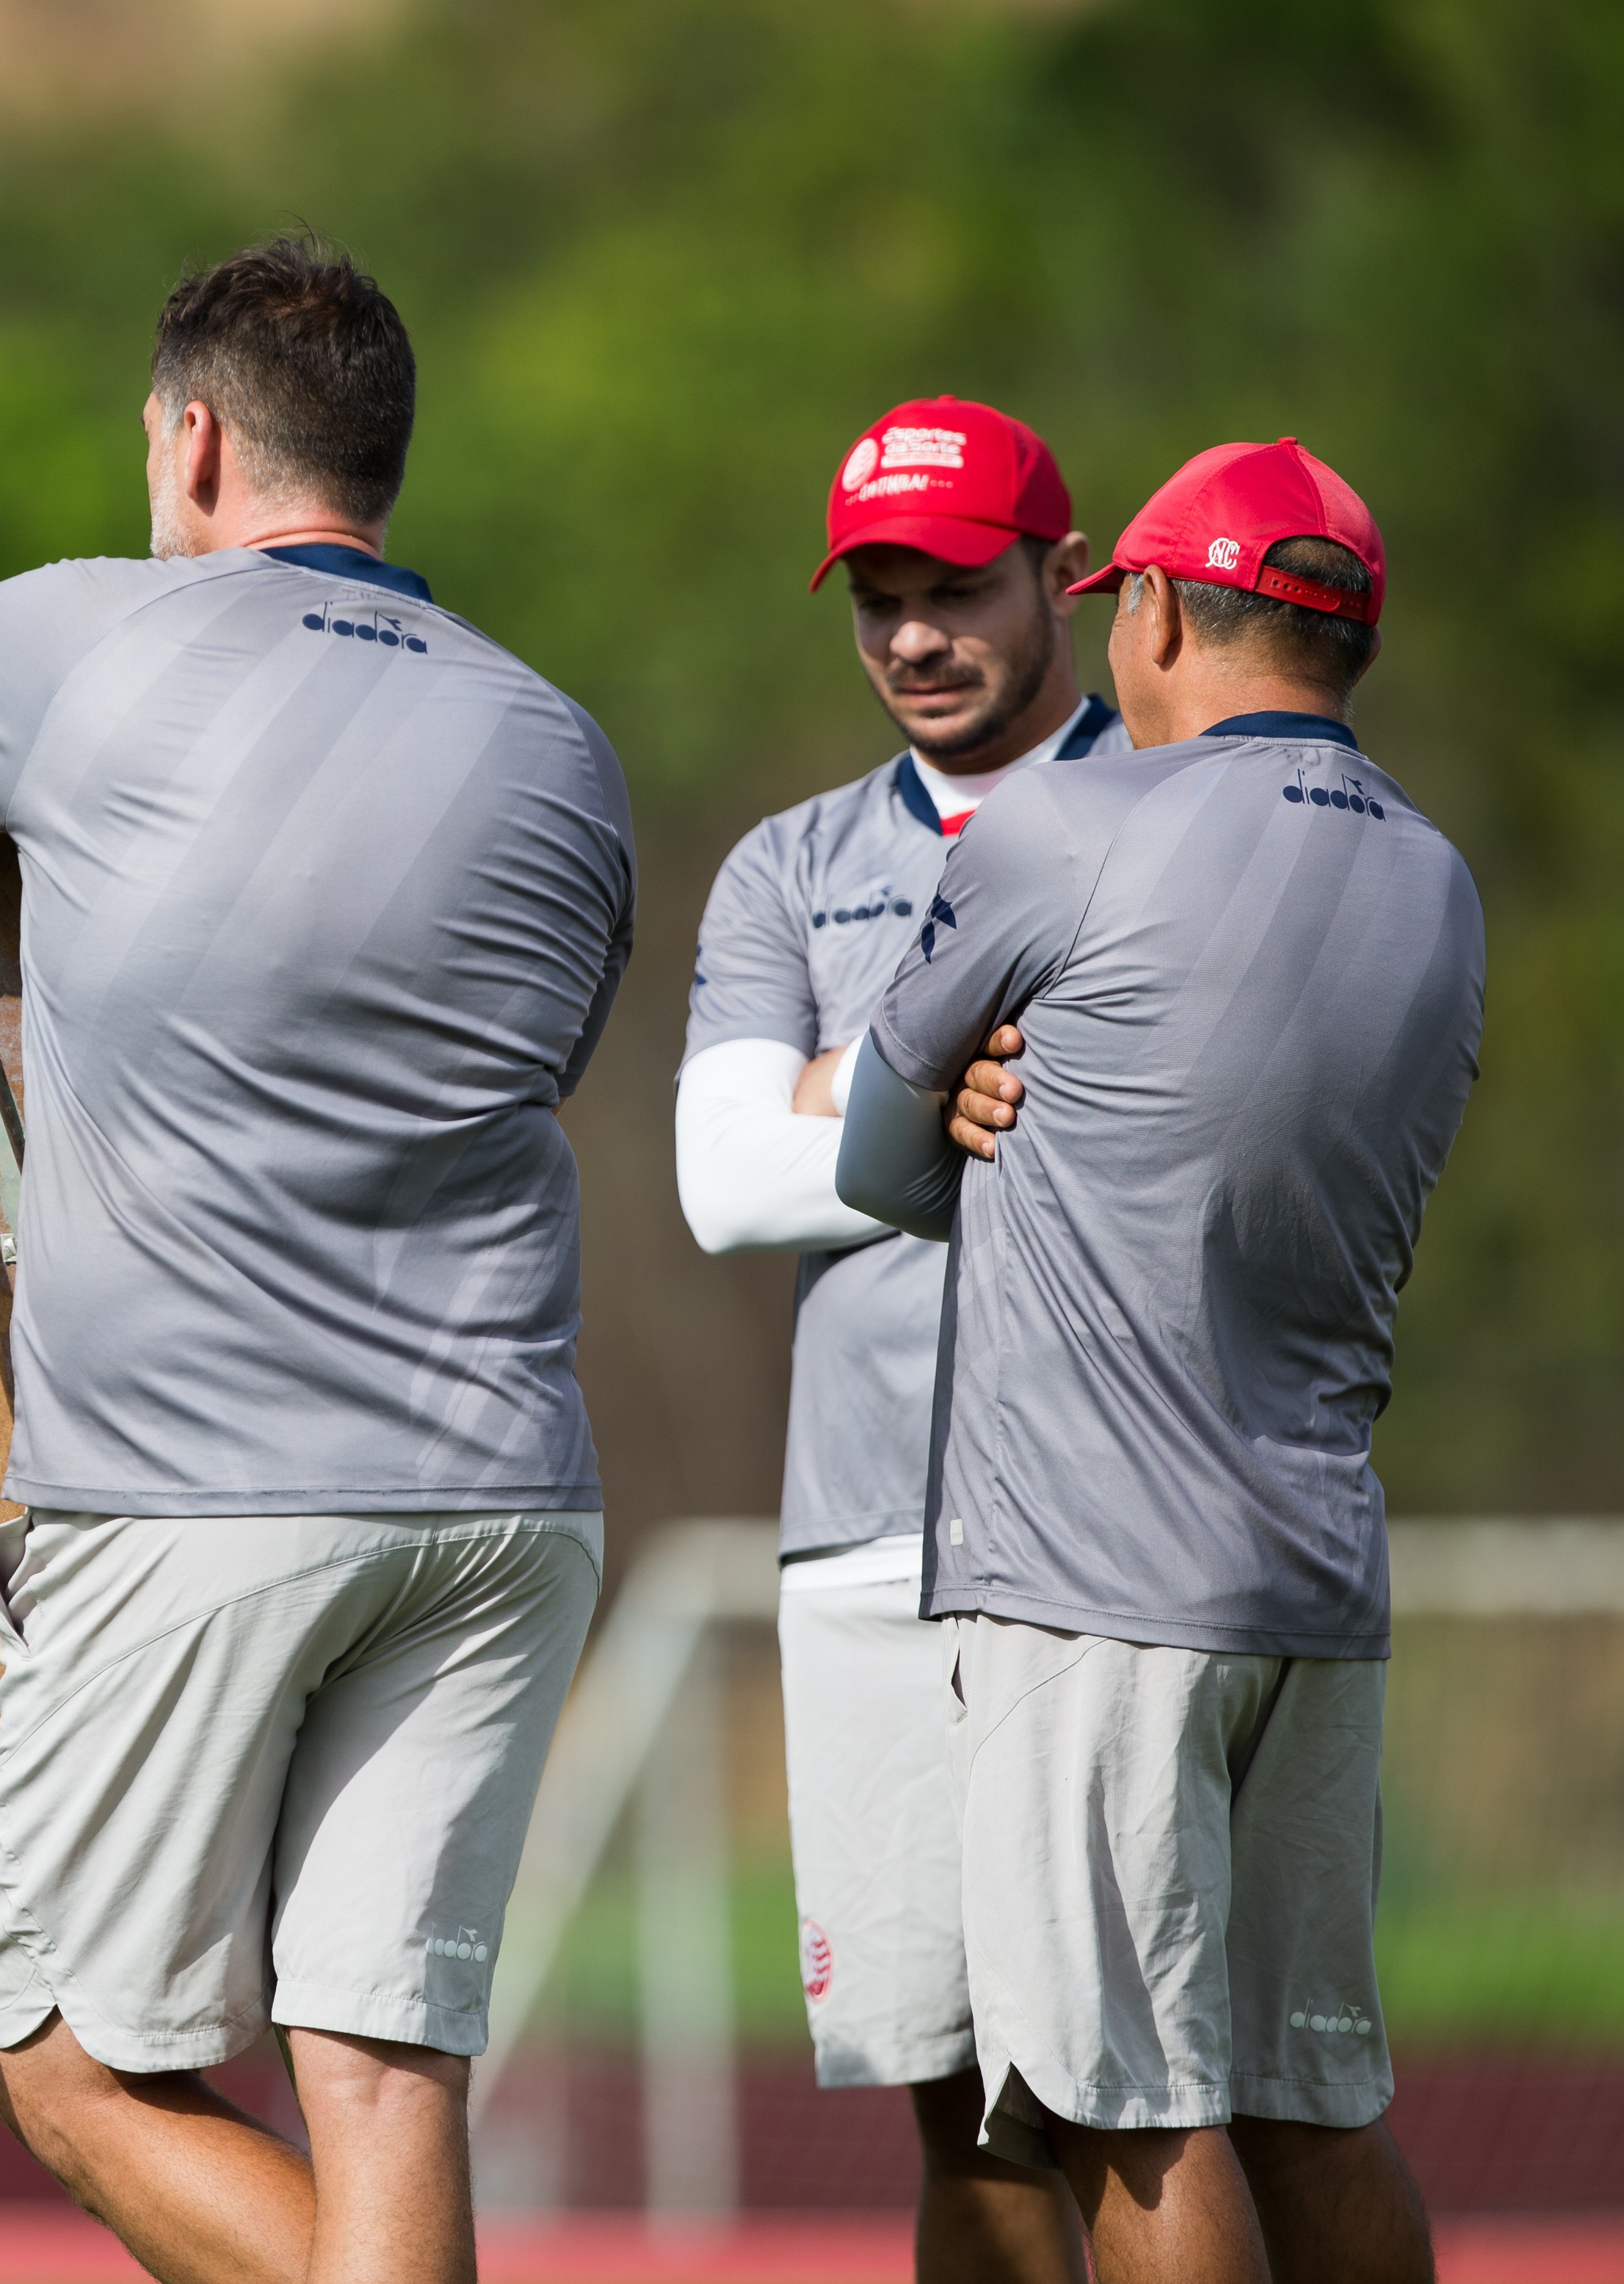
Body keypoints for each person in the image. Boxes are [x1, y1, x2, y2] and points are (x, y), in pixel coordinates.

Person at [0, 236, 634, 2284]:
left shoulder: (88, 637)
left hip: (198, 1491)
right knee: (379, 2075)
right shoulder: (558, 738)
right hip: (506, 1490)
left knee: (66, 2061)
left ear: (193, 443)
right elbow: (543, 1060)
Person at [835, 438, 1479, 2284]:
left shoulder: (1067, 825)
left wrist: (974, 1101)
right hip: (1315, 1579)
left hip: (1092, 1584)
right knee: (1311, 2102)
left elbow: (877, 1160)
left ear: (1170, 617)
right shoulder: (1439, 879)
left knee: (1128, 2104)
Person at [675, 396, 1117, 2283]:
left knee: (1154, 2089)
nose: (914, 636)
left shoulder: (1172, 807)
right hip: (861, 1537)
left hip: (1118, 1535)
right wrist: (948, 1080)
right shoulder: (786, 863)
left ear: (1064, 575)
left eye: (955, 588)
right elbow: (721, 1182)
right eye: (877, 597)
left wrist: (839, 1093)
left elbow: (1155, 1143)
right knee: (959, 2106)